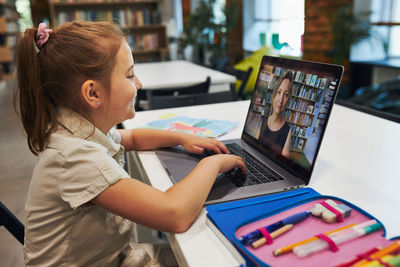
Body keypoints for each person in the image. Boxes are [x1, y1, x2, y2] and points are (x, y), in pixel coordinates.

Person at [14, 21, 246, 267]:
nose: (139, 84)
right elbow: (174, 213)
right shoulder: (74, 157)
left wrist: (181, 137)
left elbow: (132, 138)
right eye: (129, 75)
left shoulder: (78, 129)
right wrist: (213, 163)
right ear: (93, 94)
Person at [256, 71, 293, 158]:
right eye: (279, 92)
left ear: (288, 100)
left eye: (286, 95)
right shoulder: (263, 122)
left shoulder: (287, 131)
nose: (281, 100)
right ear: (274, 96)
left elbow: (283, 163)